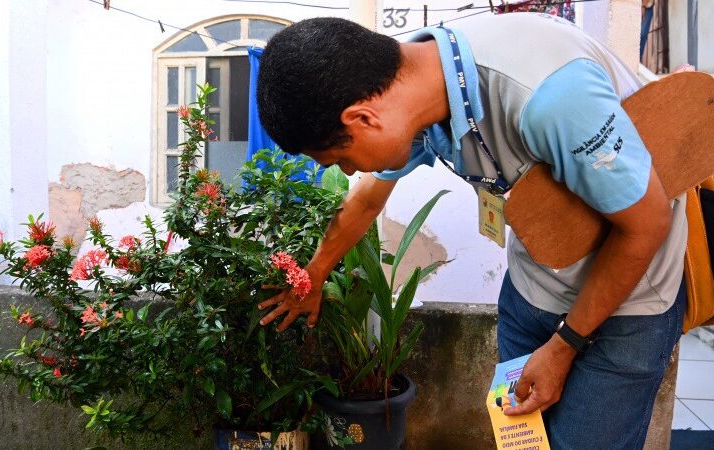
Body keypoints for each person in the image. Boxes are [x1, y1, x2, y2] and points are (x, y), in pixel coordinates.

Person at [255, 13, 687, 450]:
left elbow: (645, 227)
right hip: (532, 290)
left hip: (625, 308)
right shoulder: (410, 81)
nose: (350, 171)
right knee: (523, 444)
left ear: (363, 118)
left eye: (340, 160)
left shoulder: (550, 96)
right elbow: (367, 198)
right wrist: (313, 275)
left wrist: (563, 346)